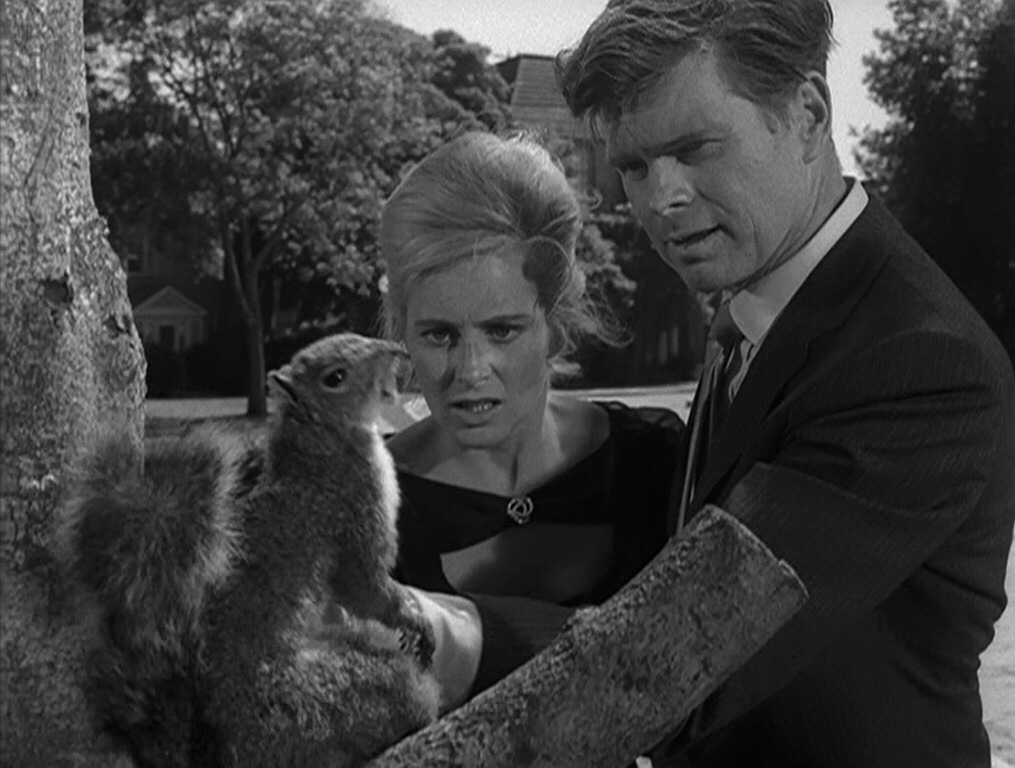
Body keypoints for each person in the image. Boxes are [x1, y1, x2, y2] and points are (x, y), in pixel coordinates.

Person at [547, 1, 1015, 766]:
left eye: (694, 148)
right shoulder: (756, 302)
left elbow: (676, 664)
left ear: (806, 116)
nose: (660, 199)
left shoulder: (921, 361)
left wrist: (436, 633)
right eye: (633, 166)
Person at [379, 131, 686, 711]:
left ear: (557, 327)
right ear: (403, 336)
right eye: (439, 335)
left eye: (502, 331)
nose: (470, 370)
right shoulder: (367, 504)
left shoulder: (650, 464)